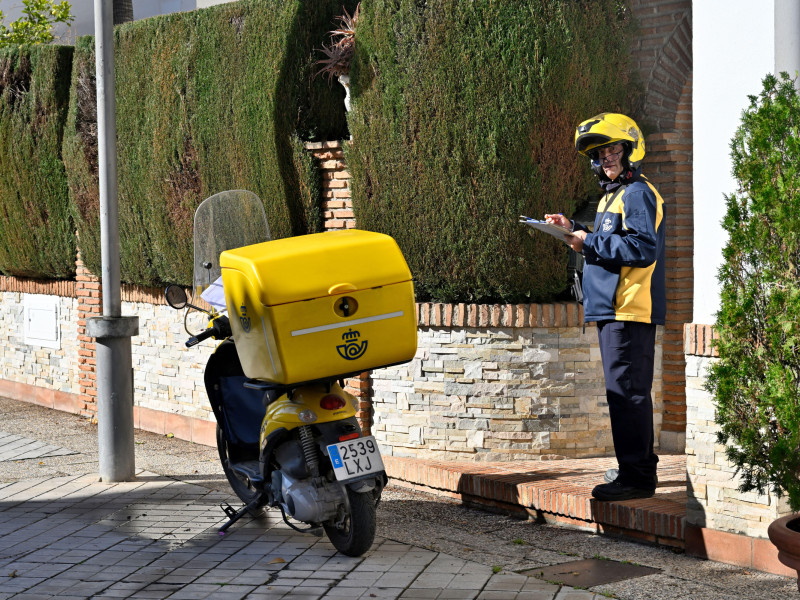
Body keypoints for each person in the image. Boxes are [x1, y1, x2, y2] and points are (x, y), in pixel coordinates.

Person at [545, 113, 665, 501]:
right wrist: (575, 229)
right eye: (599, 154)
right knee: (625, 393)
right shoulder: (613, 195)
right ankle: (637, 466)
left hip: (628, 309)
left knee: (627, 394)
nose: (606, 159)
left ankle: (636, 479)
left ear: (631, 150)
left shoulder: (637, 193)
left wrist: (589, 243)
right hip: (612, 309)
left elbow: (644, 249)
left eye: (612, 150)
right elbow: (614, 239)